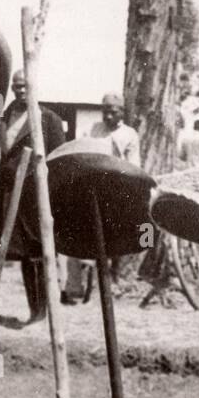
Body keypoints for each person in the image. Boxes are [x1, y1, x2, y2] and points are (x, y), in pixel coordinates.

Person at [0, 69, 66, 324]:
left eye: (25, 86)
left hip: (35, 195)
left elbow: (59, 161)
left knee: (38, 250)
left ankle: (43, 311)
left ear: (34, 87)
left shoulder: (48, 120)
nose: (20, 91)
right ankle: (33, 309)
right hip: (11, 193)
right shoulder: (5, 116)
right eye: (16, 87)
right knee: (23, 254)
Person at [62, 93, 141, 305]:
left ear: (121, 112)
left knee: (106, 241)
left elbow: (134, 168)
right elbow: (81, 150)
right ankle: (73, 288)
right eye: (105, 111)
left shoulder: (129, 134)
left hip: (115, 191)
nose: (108, 116)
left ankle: (102, 286)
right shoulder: (94, 129)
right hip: (90, 189)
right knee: (75, 237)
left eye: (113, 112)